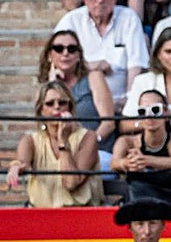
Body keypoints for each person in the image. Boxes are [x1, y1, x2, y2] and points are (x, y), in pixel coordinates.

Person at [54, 0, 150, 110]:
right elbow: (55, 60)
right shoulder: (71, 21)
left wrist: (129, 101)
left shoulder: (129, 18)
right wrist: (90, 67)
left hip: (121, 102)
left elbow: (136, 65)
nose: (100, 0)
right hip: (80, 102)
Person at [6, 82, 104, 209]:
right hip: (42, 215)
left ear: (69, 107)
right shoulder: (30, 140)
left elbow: (71, 183)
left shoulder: (88, 137)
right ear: (41, 110)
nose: (57, 107)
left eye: (62, 103)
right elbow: (21, 161)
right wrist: (15, 167)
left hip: (80, 214)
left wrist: (63, 140)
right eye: (50, 103)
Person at [38, 29, 117, 165]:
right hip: (59, 153)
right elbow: (43, 127)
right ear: (50, 55)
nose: (65, 53)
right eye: (59, 48)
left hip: (97, 151)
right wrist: (53, 86)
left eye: (72, 49)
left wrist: (88, 146)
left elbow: (109, 123)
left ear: (79, 55)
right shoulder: (45, 88)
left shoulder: (94, 78)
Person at [111, 88, 171, 203]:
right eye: (143, 111)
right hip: (139, 202)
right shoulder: (127, 141)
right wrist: (127, 162)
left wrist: (144, 160)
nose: (149, 115)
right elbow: (114, 163)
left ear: (166, 113)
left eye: (155, 110)